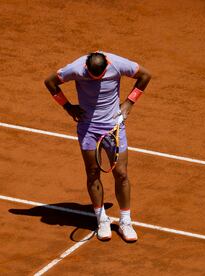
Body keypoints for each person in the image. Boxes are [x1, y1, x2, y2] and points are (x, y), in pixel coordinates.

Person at [44, 51, 151, 242]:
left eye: (99, 77)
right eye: (91, 77)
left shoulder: (118, 63)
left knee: (122, 174)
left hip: (114, 127)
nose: (95, 80)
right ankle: (101, 219)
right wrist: (68, 107)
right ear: (86, 68)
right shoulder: (76, 68)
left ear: (106, 67)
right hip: (88, 128)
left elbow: (145, 76)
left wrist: (129, 103)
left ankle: (126, 221)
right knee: (92, 172)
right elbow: (50, 82)